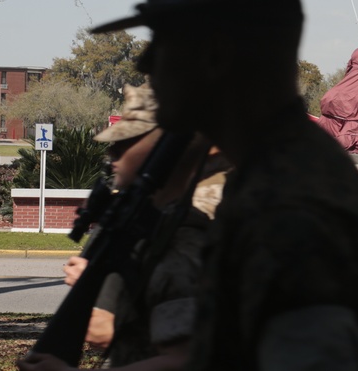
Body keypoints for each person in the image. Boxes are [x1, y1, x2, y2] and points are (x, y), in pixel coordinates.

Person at [84, 0, 358, 371]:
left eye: (162, 39)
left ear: (214, 53)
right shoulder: (275, 175)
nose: (145, 64)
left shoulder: (289, 207)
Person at [21, 83, 228, 371]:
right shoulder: (155, 218)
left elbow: (189, 358)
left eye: (127, 142)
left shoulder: (186, 226)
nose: (112, 153)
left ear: (169, 149)